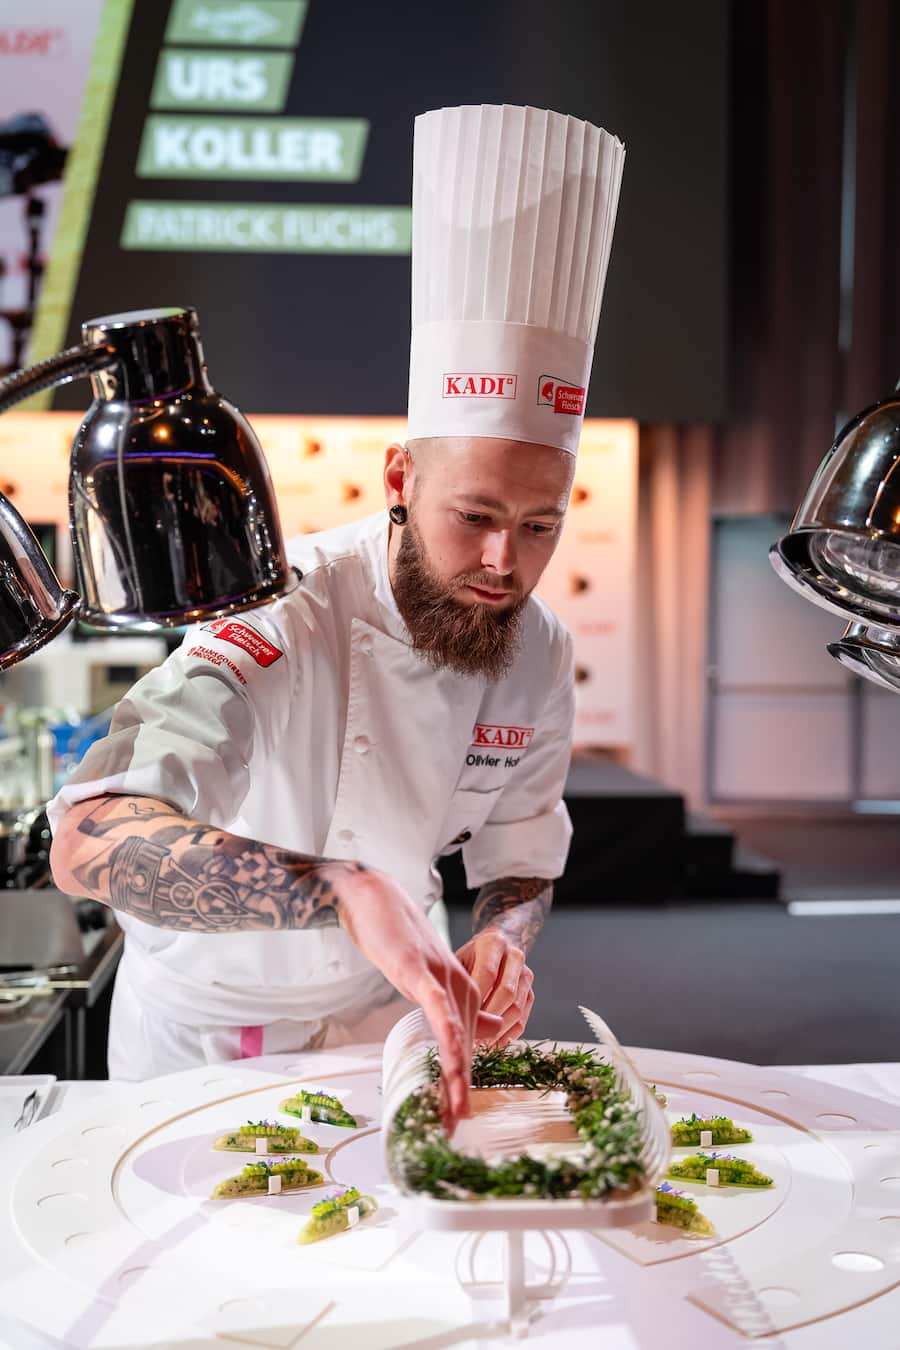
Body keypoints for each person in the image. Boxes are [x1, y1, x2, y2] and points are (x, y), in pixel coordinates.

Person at [48, 104, 625, 1126]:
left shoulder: (539, 649)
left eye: (540, 526)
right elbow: (88, 839)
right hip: (201, 1036)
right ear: (401, 479)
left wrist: (502, 940)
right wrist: (338, 886)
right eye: (475, 517)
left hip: (383, 1013)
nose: (505, 562)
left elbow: (521, 853)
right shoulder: (283, 609)